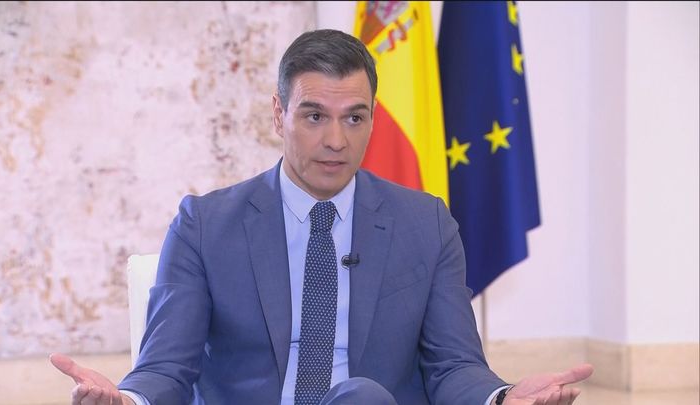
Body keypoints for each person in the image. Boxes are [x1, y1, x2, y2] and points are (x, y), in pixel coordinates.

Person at [50, 29, 593, 405]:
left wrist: (501, 396)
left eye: (354, 118)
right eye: (314, 116)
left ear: (373, 120)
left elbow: (454, 366)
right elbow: (167, 367)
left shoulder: (425, 224)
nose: (336, 140)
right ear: (279, 113)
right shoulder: (205, 225)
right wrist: (127, 399)